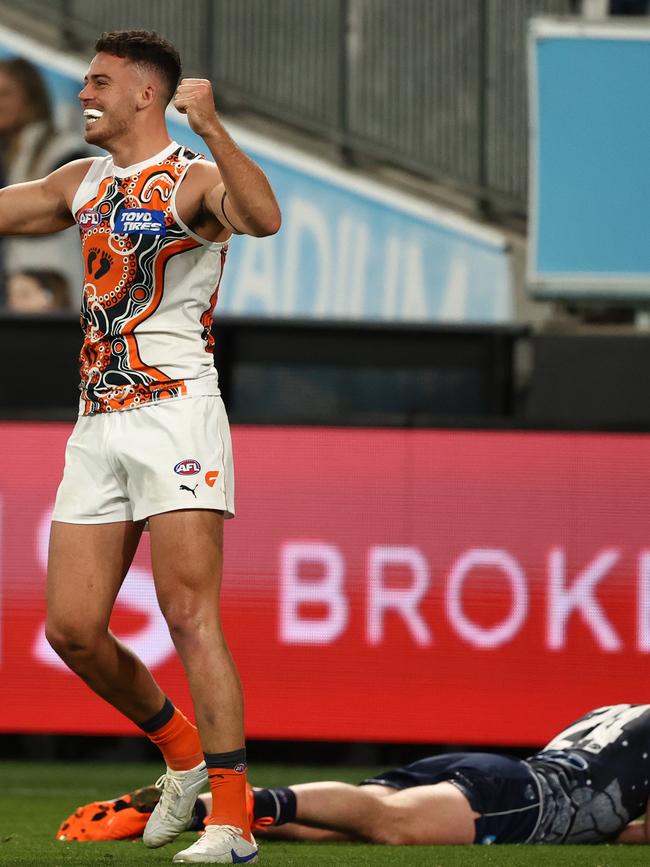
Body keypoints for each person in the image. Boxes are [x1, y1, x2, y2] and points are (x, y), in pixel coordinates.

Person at [0, 30, 280, 865]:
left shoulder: (193, 180)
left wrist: (217, 128)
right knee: (74, 630)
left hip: (176, 415)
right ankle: (183, 755)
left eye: (98, 83)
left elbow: (262, 217)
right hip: (98, 423)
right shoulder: (82, 181)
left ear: (146, 96)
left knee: (190, 614)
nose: (84, 95)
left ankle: (232, 823)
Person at [57, 704, 650, 846]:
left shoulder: (621, 711)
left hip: (503, 768)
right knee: (388, 823)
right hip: (525, 798)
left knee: (353, 820)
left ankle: (213, 814)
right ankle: (210, 807)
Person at [0, 57, 91, 306]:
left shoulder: (63, 150)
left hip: (52, 284)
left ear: (31, 96)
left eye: (6, 93)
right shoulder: (8, 151)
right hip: (13, 285)